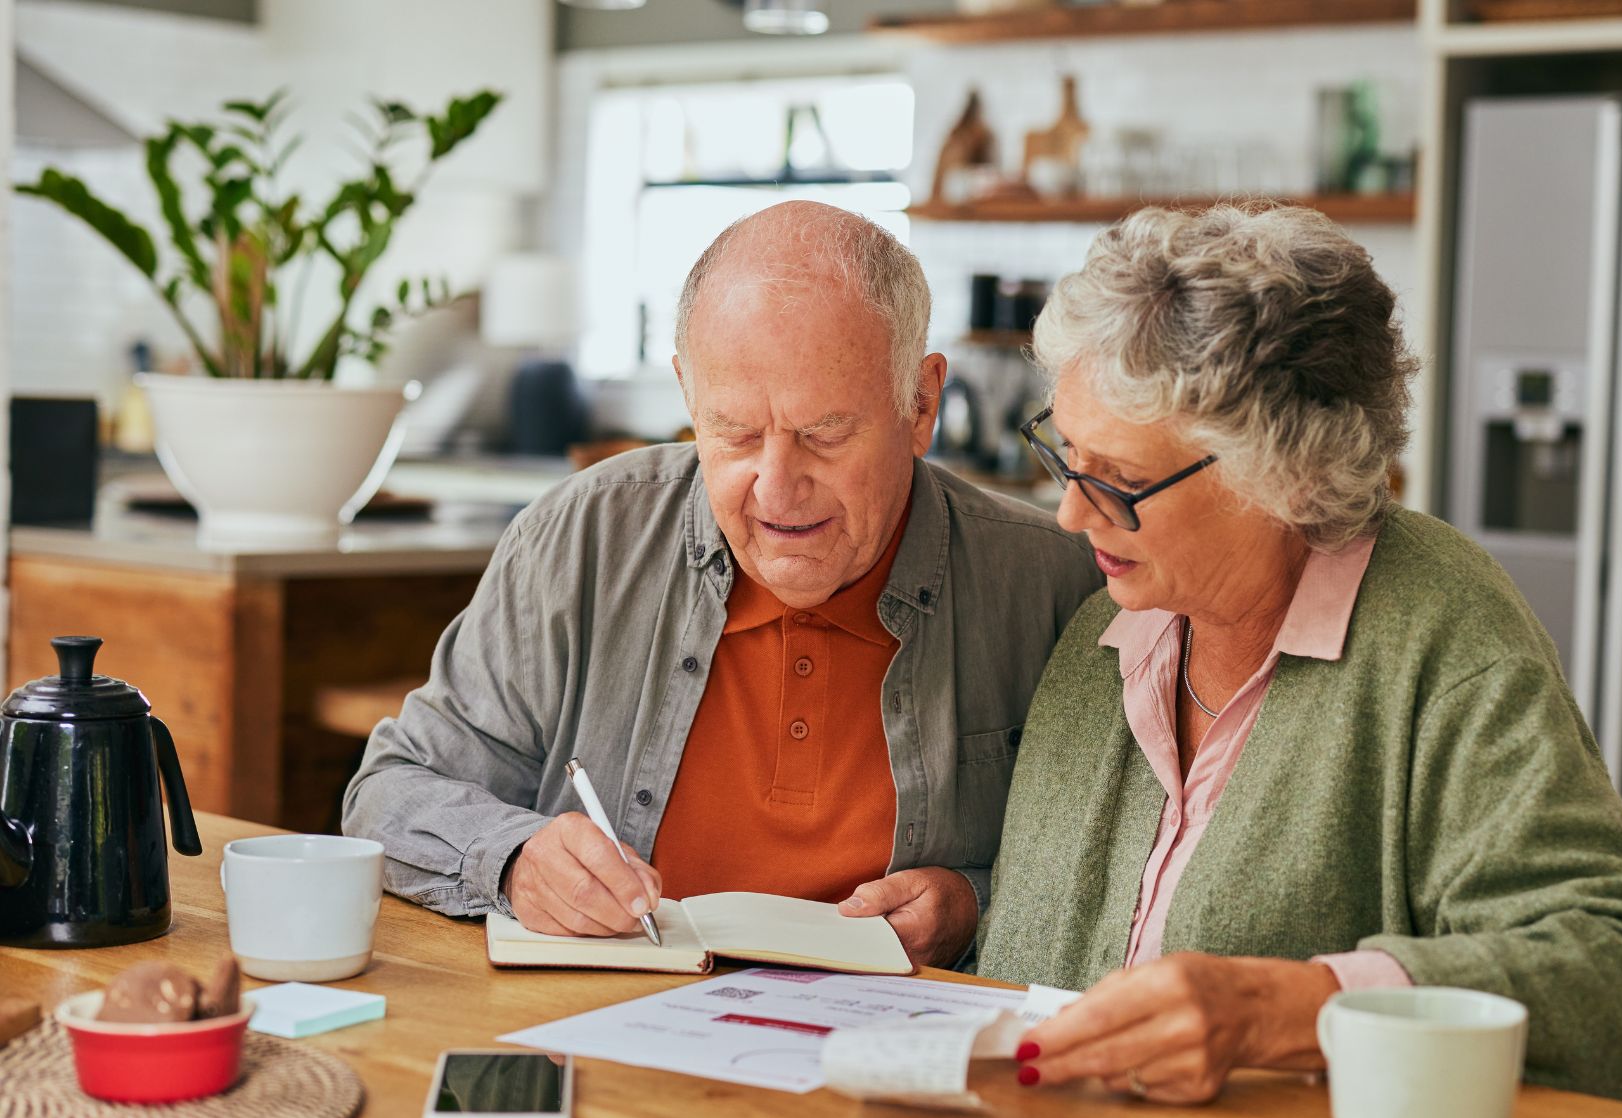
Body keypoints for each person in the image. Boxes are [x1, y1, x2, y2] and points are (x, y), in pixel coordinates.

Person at [977, 203, 1622, 1103]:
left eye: (1122, 480)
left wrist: (1291, 1009)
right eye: (1068, 455)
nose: (1071, 513)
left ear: (1284, 475)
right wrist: (965, 906)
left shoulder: (1441, 632)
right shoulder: (1106, 633)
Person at [343, 202, 1102, 968]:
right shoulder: (580, 538)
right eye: (735, 432)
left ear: (921, 403)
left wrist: (977, 903)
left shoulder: (1054, 584)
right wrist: (514, 857)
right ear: (687, 394)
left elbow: (1126, 889)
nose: (777, 488)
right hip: (611, 1018)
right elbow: (389, 792)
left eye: (824, 433)